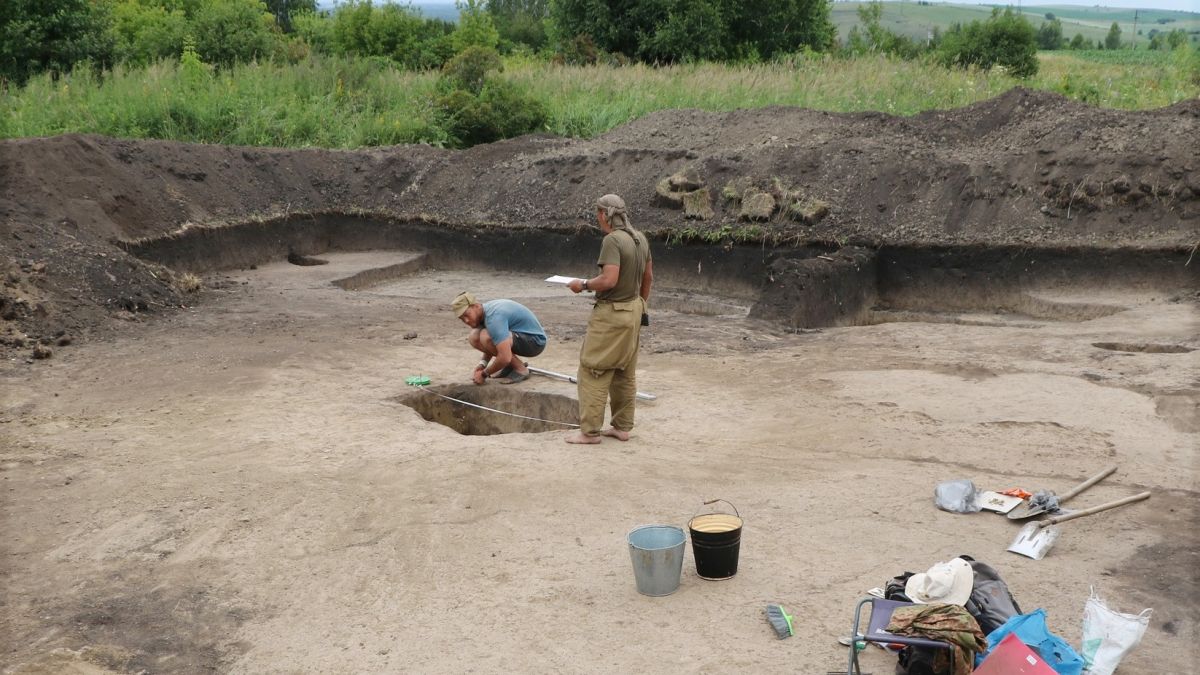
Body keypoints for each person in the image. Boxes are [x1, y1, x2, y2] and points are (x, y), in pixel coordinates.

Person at [565, 194, 653, 444]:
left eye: (598, 215)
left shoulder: (612, 241)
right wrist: (641, 305)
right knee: (624, 371)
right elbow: (648, 277)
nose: (598, 220)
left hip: (612, 314)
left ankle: (590, 432)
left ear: (605, 215)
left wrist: (582, 284)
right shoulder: (640, 239)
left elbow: (609, 279)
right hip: (634, 311)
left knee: (593, 368)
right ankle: (622, 427)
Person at [451, 292, 547, 385]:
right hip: (521, 337)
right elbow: (494, 342)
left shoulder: (494, 318)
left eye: (467, 315)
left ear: (476, 306)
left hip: (535, 342)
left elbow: (504, 357)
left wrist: (484, 374)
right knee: (475, 337)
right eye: (462, 318)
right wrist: (482, 364)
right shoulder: (484, 312)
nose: (466, 320)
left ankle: (521, 370)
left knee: (485, 336)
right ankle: (511, 366)